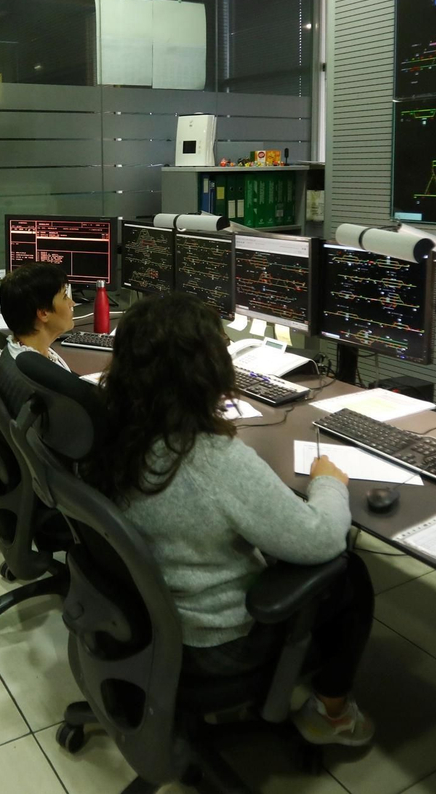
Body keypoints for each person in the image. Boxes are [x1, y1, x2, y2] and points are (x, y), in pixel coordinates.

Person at [81, 292, 378, 747]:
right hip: (213, 645)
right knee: (350, 574)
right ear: (207, 373)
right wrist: (327, 482)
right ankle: (331, 714)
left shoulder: (111, 427)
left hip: (141, 619)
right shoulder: (210, 458)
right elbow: (321, 539)